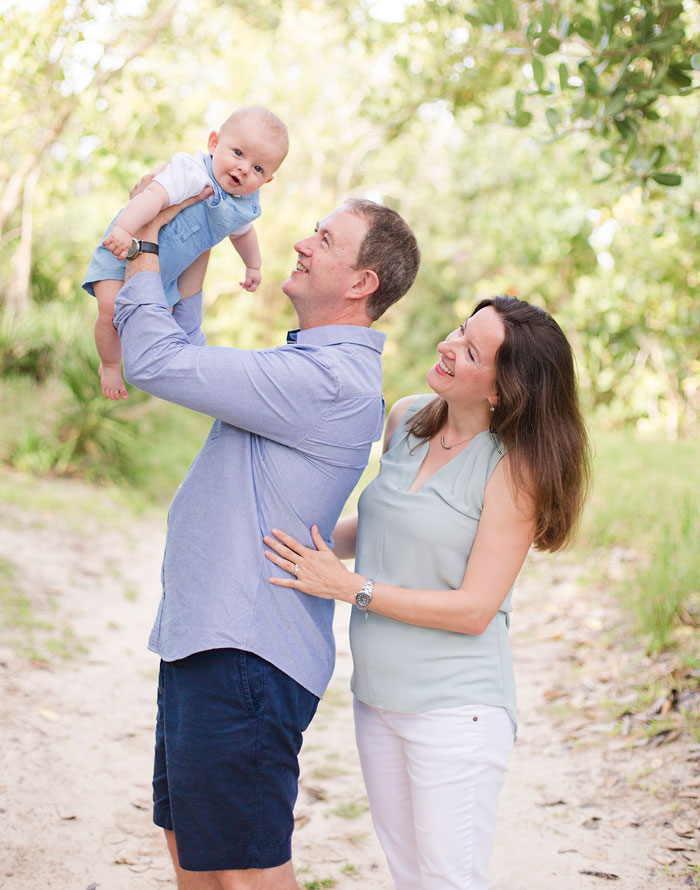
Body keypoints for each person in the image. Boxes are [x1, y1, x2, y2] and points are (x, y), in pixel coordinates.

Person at [112, 193, 420, 890]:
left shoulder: (325, 380)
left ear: (361, 282)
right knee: (195, 848)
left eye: (324, 238)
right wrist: (190, 254)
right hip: (212, 640)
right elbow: (180, 350)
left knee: (246, 870)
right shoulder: (306, 367)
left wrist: (142, 245)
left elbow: (157, 363)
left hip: (245, 654)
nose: (303, 244)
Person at [264, 294, 590, 890]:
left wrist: (351, 588)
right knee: (409, 875)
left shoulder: (515, 470)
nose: (447, 345)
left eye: (470, 351)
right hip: (377, 699)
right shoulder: (409, 419)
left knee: (446, 880)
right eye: (460, 330)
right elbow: (387, 527)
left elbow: (473, 611)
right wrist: (295, 546)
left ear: (501, 390)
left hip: (455, 710)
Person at [83, 105, 289, 400]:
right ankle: (110, 364)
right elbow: (150, 197)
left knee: (151, 324)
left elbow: (244, 235)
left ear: (267, 180)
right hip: (122, 252)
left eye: (258, 168)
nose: (244, 168)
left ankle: (127, 358)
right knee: (110, 311)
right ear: (214, 143)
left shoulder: (242, 205)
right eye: (239, 153)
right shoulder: (191, 173)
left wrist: (253, 267)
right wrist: (124, 230)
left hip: (162, 275)